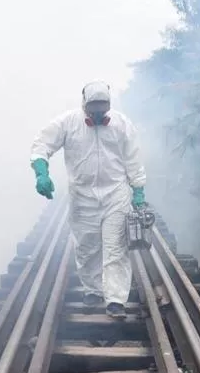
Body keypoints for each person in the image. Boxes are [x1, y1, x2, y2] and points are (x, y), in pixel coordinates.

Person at [29, 81, 147, 320]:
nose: (97, 113)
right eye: (93, 107)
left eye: (102, 108)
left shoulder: (122, 124)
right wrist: (41, 172)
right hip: (82, 196)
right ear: (84, 103)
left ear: (109, 105)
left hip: (116, 193)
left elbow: (133, 158)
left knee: (115, 247)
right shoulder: (67, 123)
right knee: (87, 246)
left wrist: (138, 189)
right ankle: (93, 290)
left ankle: (115, 299)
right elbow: (41, 145)